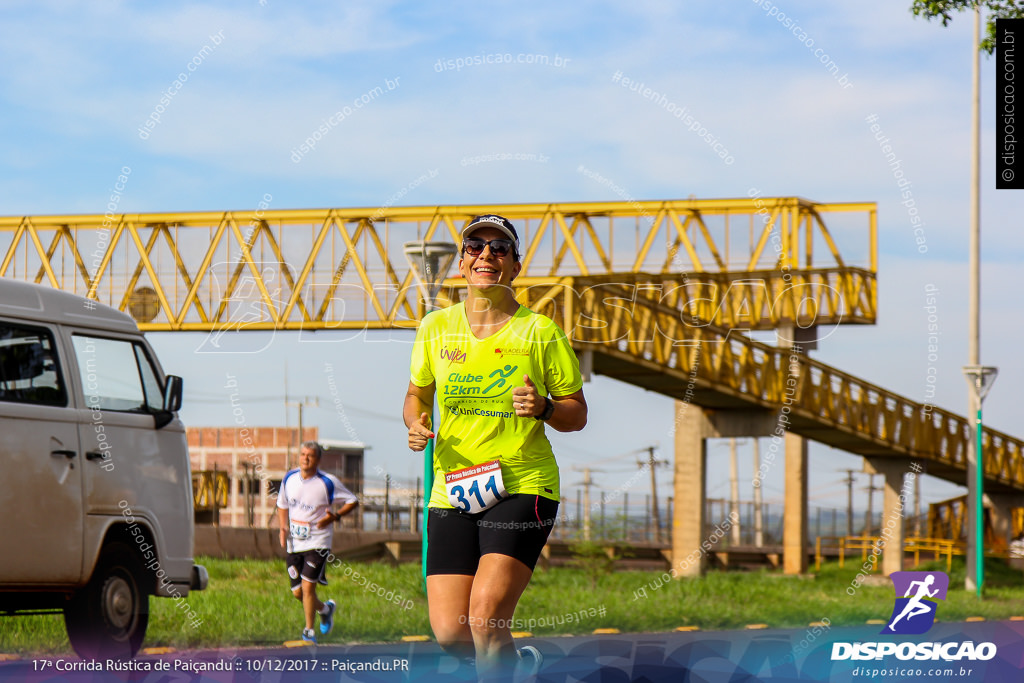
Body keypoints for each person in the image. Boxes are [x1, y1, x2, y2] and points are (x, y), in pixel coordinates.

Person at [405, 214, 588, 680]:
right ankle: (517, 661)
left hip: (523, 484)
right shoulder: (435, 328)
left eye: (500, 247)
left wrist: (546, 408)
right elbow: (415, 395)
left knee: (486, 618)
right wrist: (414, 422)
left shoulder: (540, 332)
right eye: (475, 246)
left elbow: (577, 413)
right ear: (462, 263)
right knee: (452, 633)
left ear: (515, 266)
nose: (487, 254)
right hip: (454, 488)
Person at [277, 440, 358, 643]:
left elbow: (352, 500)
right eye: (303, 454)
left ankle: (308, 631)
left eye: (310, 455)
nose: (305, 458)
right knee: (297, 593)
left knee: (307, 589)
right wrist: (282, 527)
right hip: (295, 543)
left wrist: (335, 517)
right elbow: (282, 504)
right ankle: (325, 609)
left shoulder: (327, 482)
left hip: (318, 543)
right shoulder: (289, 478)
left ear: (318, 459)